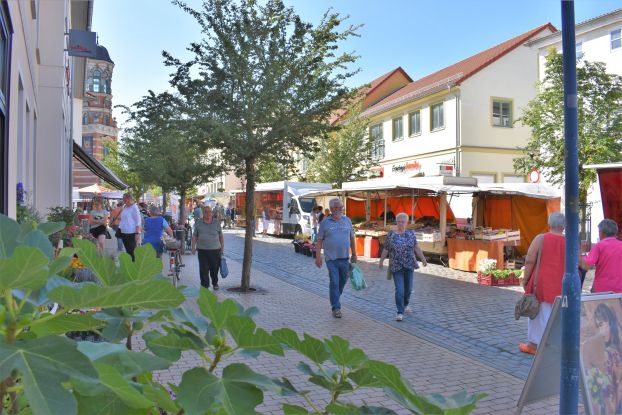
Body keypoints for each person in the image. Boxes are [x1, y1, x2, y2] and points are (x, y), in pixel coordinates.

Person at [518, 212, 566, 355]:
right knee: (557, 314)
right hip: (562, 282)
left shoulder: (541, 238)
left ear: (549, 224)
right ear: (563, 226)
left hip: (542, 282)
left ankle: (534, 345)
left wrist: (525, 279)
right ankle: (555, 343)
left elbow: (530, 260)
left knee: (538, 314)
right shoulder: (570, 241)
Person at [378, 212, 427, 321]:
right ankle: (400, 312)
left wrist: (423, 259)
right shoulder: (391, 234)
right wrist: (381, 261)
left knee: (408, 289)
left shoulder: (410, 234)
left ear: (407, 223)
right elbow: (386, 248)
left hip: (409, 264)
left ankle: (405, 304)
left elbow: (416, 247)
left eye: (403, 222)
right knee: (399, 290)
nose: (401, 224)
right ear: (396, 222)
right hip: (396, 265)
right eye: (399, 222)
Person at [315, 198, 357, 318]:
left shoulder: (347, 220)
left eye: (341, 207)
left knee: (342, 282)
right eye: (338, 207)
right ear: (332, 208)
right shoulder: (325, 222)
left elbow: (352, 238)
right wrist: (318, 257)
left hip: (344, 258)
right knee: (334, 282)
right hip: (331, 258)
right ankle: (336, 308)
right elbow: (319, 240)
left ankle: (335, 298)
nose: (341, 209)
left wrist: (354, 253)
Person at [581, 219, 622, 293]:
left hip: (602, 289)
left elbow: (586, 265)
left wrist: (583, 252)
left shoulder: (599, 246)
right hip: (619, 289)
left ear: (602, 233)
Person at [191, 206, 224, 290]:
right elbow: (195, 236)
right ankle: (205, 285)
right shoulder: (199, 223)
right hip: (202, 250)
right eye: (206, 212)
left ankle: (215, 283)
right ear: (203, 213)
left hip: (215, 250)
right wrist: (193, 247)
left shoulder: (216, 222)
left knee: (215, 268)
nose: (208, 213)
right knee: (203, 269)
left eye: (209, 212)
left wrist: (222, 248)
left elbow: (221, 236)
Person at [118, 192, 142, 261]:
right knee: (128, 251)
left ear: (129, 198)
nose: (123, 200)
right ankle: (130, 266)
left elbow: (138, 221)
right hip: (124, 232)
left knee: (132, 251)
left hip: (131, 232)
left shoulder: (134, 207)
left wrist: (137, 233)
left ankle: (134, 266)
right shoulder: (125, 207)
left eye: (124, 199)